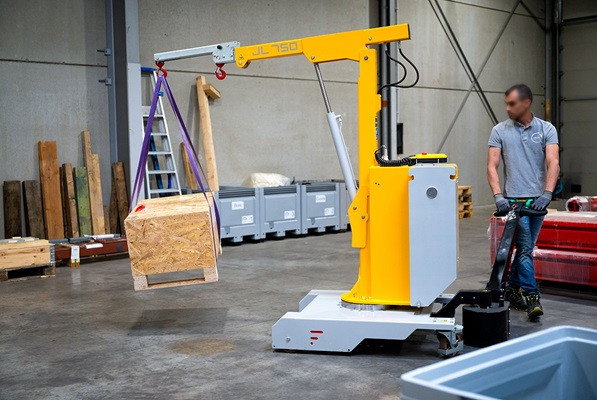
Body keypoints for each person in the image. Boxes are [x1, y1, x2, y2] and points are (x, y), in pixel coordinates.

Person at [487, 84, 560, 320]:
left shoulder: (546, 129)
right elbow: (492, 165)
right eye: (506, 104)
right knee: (526, 249)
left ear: (526, 103)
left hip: (537, 202)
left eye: (512, 103)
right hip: (513, 203)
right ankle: (532, 296)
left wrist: (547, 194)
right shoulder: (499, 130)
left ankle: (510, 288)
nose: (507, 108)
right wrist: (498, 196)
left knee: (524, 249)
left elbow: (553, 162)